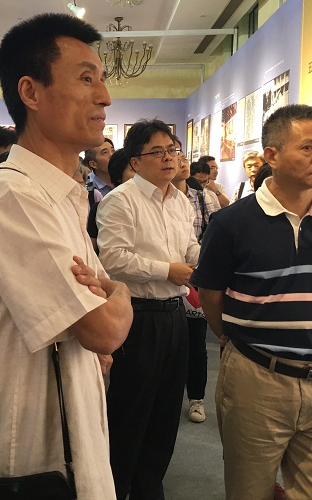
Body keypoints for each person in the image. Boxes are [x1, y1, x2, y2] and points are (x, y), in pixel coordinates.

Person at [0, 12, 132, 500]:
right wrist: (120, 294)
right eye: (86, 79)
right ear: (31, 92)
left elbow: (99, 326)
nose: (105, 97)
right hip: (29, 453)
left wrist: (106, 305)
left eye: (102, 79)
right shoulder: (14, 194)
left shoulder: (62, 194)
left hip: (70, 431)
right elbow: (104, 330)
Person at [191, 104, 312, 500]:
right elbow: (210, 294)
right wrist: (231, 336)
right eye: (307, 147)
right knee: (250, 490)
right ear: (273, 155)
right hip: (258, 378)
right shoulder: (232, 222)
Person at [97, 120, 200, 500]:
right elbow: (112, 258)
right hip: (137, 316)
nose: (169, 158)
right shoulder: (120, 200)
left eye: (173, 150)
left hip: (175, 314)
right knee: (131, 410)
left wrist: (205, 259)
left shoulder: (181, 200)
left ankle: (148, 487)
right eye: (157, 152)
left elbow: (189, 247)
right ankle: (114, 488)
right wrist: (166, 270)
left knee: (166, 410)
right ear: (136, 161)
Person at [171, 140, 220, 426]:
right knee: (170, 343)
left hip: (195, 276)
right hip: (165, 279)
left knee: (196, 342)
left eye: (179, 153)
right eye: (168, 152)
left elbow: (211, 236)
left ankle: (196, 398)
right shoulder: (149, 197)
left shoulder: (201, 196)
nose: (178, 160)